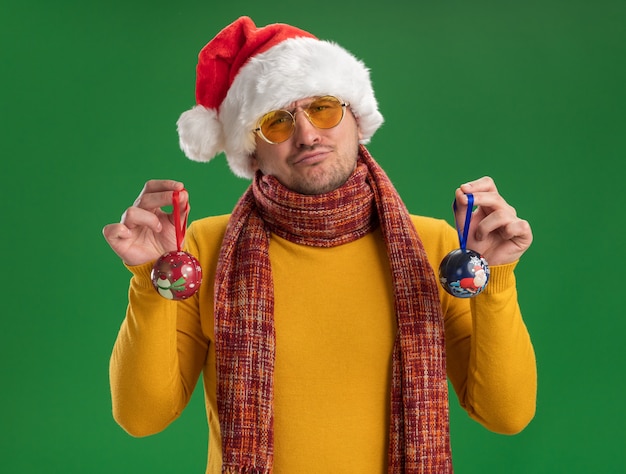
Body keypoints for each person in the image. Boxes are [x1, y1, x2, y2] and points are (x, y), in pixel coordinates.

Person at [103, 16, 536, 474]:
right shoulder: (205, 250)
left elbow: (506, 415)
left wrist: (496, 278)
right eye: (277, 121)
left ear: (355, 116)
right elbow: (141, 418)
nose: (308, 134)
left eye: (324, 108)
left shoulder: (436, 248)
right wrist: (153, 279)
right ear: (252, 150)